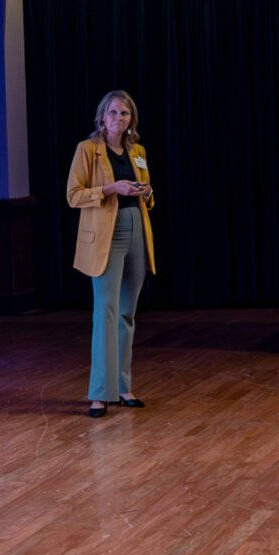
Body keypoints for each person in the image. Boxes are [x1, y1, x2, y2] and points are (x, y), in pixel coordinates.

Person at [66, 89, 157, 418]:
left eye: (125, 114)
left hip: (135, 226)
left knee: (127, 313)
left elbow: (148, 193)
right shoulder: (88, 150)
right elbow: (73, 195)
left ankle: (122, 385)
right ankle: (99, 393)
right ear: (102, 117)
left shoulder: (138, 151)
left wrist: (146, 190)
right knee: (105, 311)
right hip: (107, 231)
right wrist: (110, 188)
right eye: (114, 113)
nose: (119, 119)